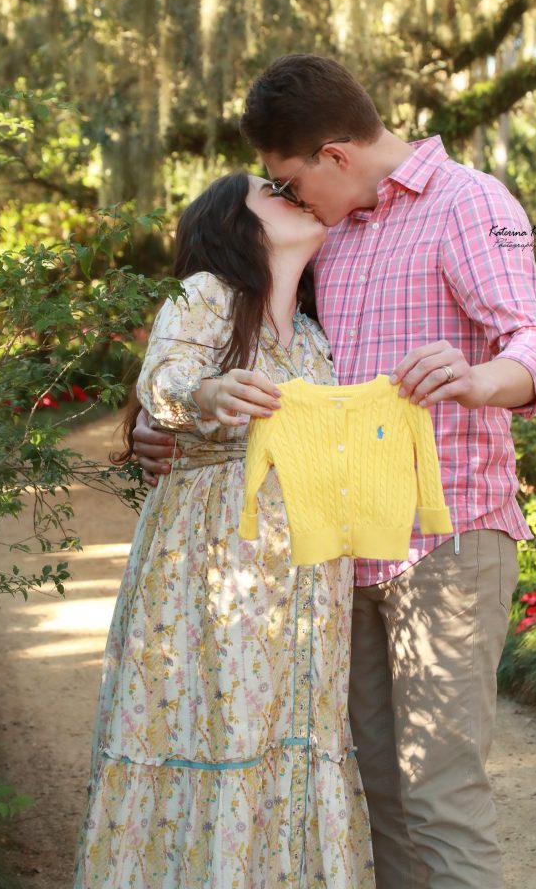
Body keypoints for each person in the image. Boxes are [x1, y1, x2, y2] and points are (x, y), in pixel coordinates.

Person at [134, 55, 536, 889]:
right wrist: (156, 428)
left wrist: (481, 380)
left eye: (290, 181)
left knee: (439, 787)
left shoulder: (470, 202)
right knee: (373, 787)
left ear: (335, 154)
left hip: (446, 538)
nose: (290, 200)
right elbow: (227, 338)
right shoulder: (325, 237)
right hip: (338, 553)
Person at [74, 172, 375, 889]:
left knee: (292, 731)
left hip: (307, 572)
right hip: (215, 558)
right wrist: (206, 393)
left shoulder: (308, 331)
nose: (295, 193)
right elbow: (165, 378)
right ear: (235, 224)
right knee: (217, 725)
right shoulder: (205, 293)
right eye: (273, 190)